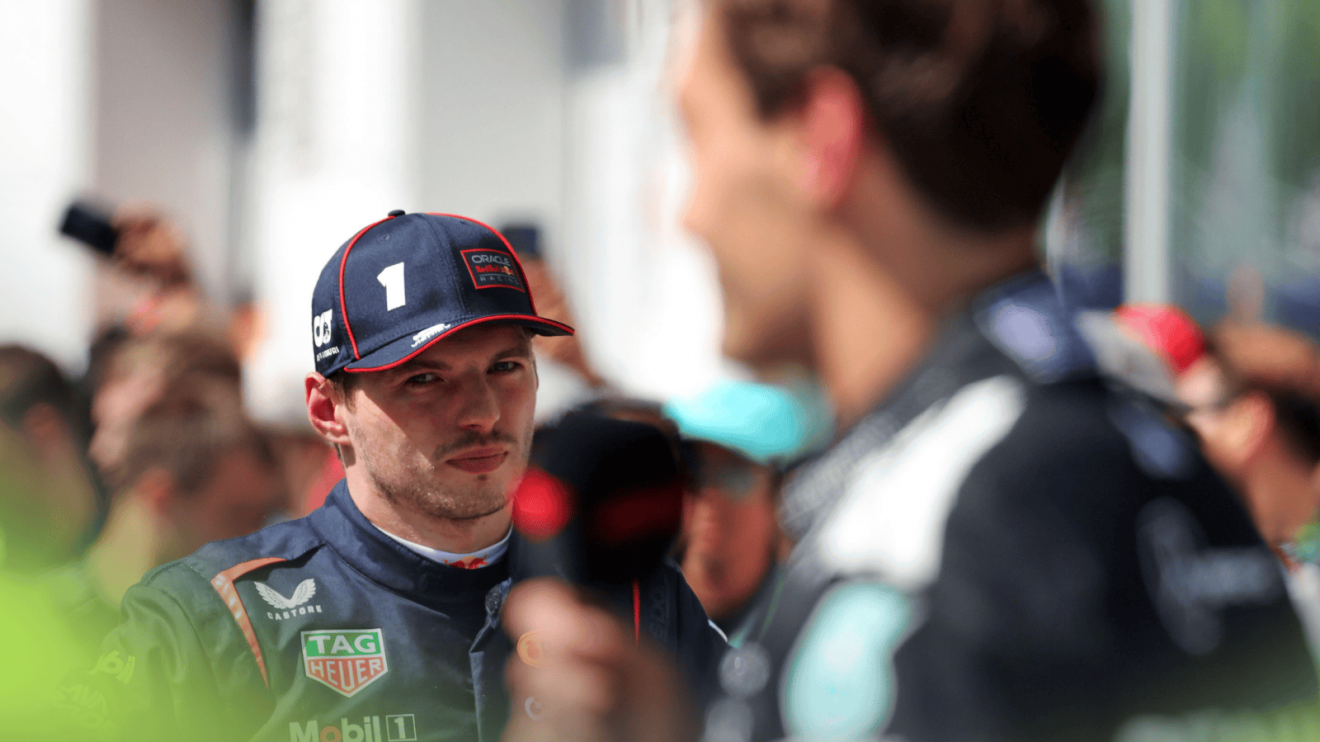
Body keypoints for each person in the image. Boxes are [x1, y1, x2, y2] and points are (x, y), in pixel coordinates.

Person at [500, 2, 1319, 741]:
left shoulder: (945, 522)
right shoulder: (1112, 444)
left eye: (696, 134)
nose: (687, 211)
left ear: (821, 138)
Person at [68, 211, 722, 742]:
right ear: (328, 410)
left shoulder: (642, 602)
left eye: (505, 367)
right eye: (426, 379)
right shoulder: (210, 618)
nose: (483, 413)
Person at [49, 381, 286, 660]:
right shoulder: (43, 630)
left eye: (263, 517)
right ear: (159, 496)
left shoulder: (240, 634)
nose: (256, 539)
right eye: (235, 515)